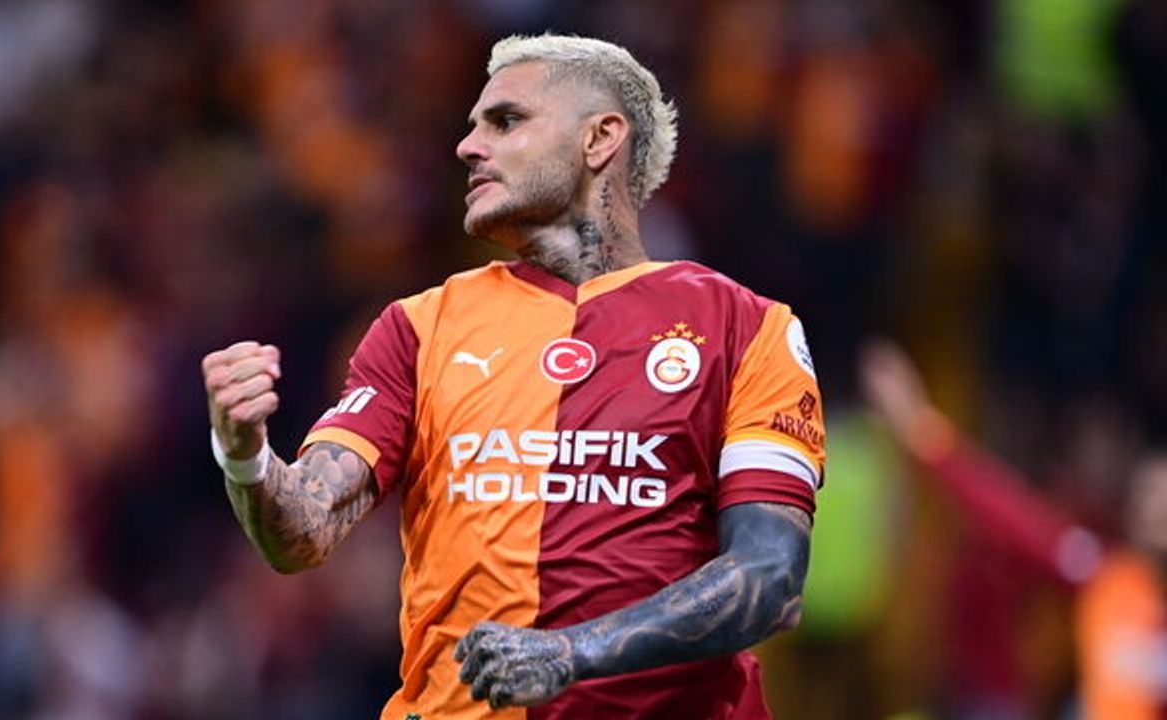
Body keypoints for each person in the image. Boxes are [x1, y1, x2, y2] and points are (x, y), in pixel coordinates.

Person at [201, 34, 826, 719]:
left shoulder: (745, 329)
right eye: (473, 125)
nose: (468, 147)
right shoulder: (419, 328)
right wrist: (244, 454)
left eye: (505, 121)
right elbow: (302, 533)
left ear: (599, 139)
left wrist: (572, 653)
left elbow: (770, 578)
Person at [860, 340, 1167, 720]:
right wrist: (922, 431)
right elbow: (1012, 517)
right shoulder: (1104, 572)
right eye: (1148, 500)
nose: (1154, 514)